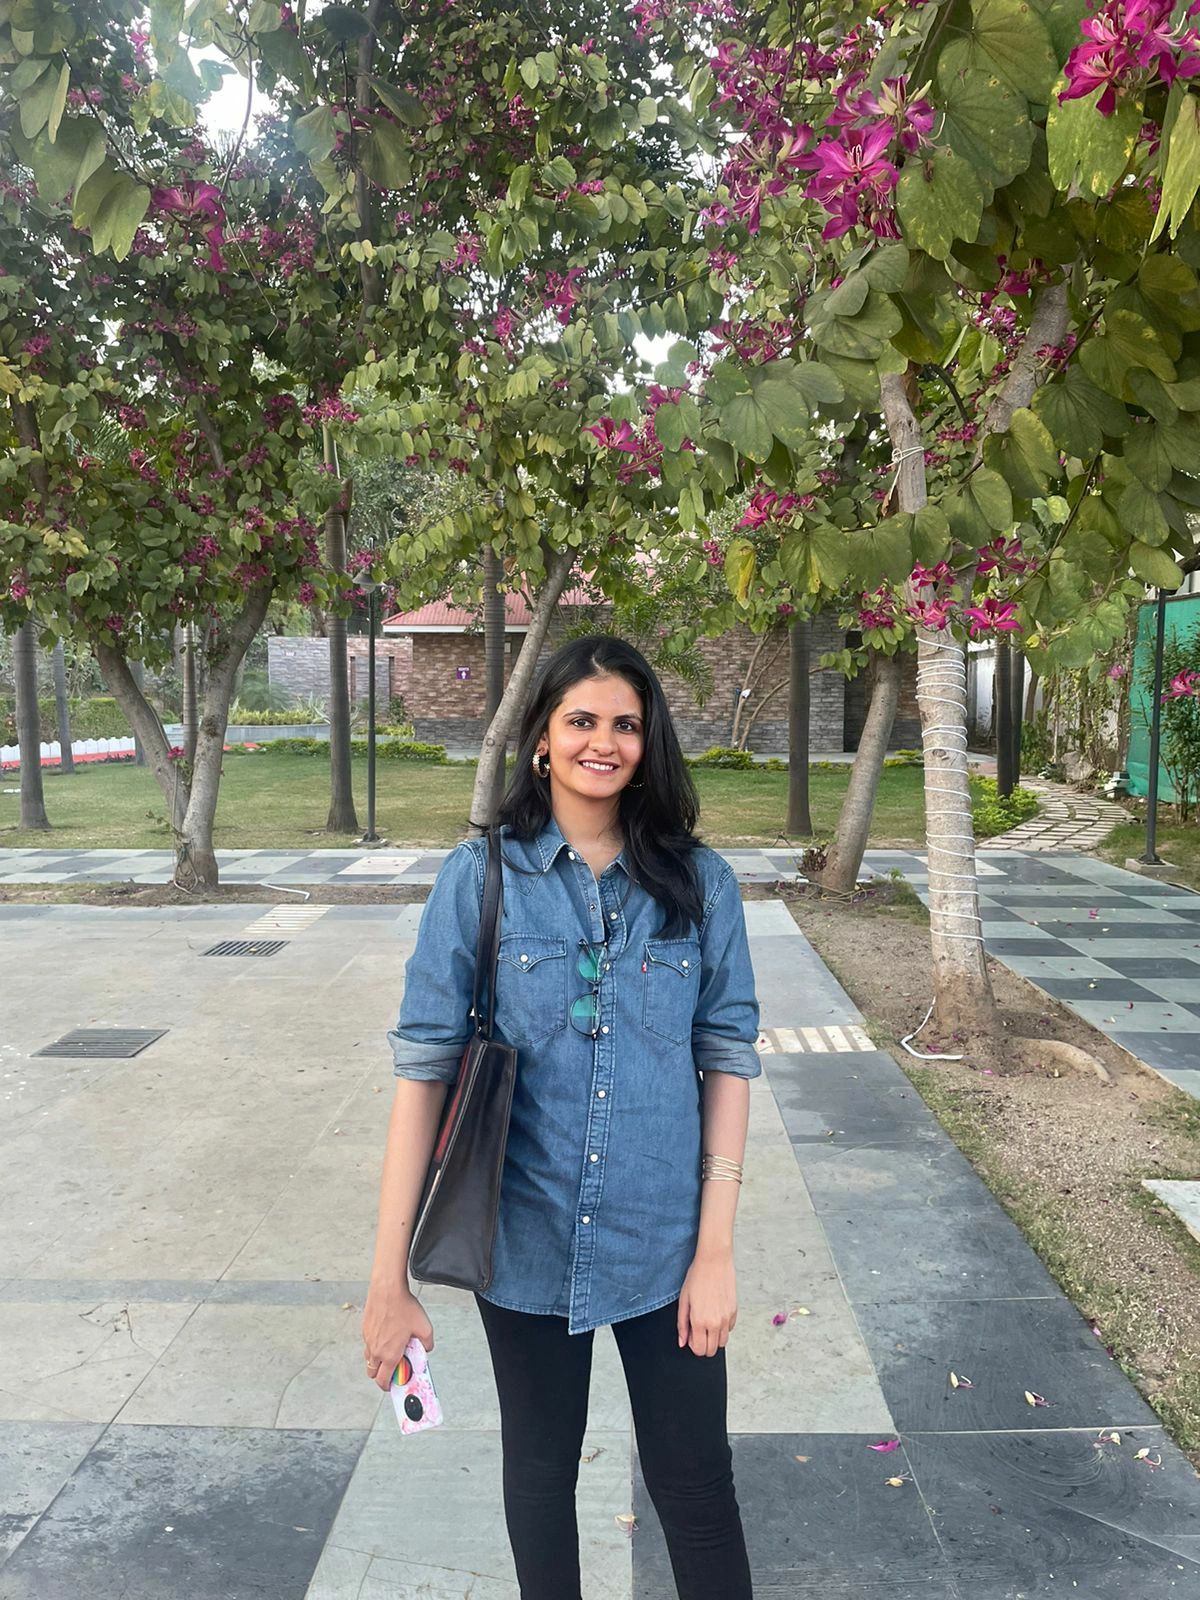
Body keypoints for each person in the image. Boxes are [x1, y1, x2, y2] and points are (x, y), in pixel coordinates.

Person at [363, 634, 760, 1600]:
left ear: (648, 742)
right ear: (542, 737)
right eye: (581, 721)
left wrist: (715, 1251)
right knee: (539, 1479)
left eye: (626, 724)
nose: (603, 742)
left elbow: (727, 1059)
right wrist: (387, 1280)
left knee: (697, 1489)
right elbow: (424, 1076)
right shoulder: (479, 878)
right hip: (524, 1240)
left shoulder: (701, 885)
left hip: (664, 1246)